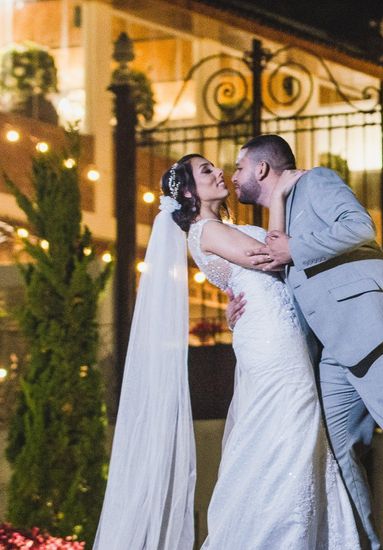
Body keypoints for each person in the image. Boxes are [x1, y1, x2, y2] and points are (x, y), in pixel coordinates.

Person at [95, 155, 359, 549]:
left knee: (286, 434)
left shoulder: (221, 228)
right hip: (272, 343)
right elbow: (270, 259)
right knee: (291, 429)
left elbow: (251, 275)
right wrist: (278, 201)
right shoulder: (205, 230)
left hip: (274, 331)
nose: (219, 173)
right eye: (207, 171)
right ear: (188, 192)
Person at [227, 135, 383, 550]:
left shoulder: (316, 182)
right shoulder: (278, 218)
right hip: (336, 354)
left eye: (238, 167)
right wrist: (243, 312)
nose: (232, 177)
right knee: (333, 456)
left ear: (262, 169)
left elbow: (361, 227)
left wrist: (296, 248)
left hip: (378, 334)